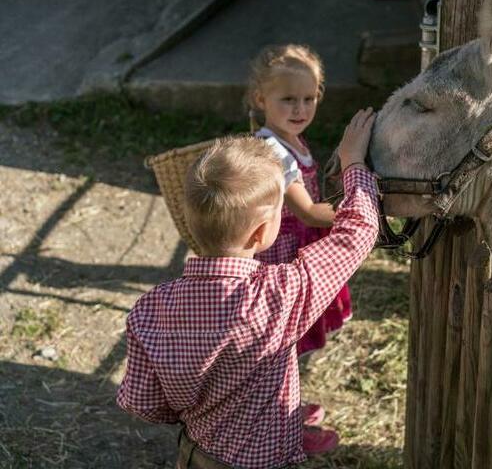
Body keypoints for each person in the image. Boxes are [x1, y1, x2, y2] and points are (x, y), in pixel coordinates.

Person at [116, 108, 378, 469]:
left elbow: (141, 403)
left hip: (195, 455)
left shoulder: (150, 308)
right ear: (260, 233)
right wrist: (354, 165)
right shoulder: (282, 294)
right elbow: (358, 232)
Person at [245, 45, 353, 444]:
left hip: (294, 251)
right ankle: (282, 428)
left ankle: (284, 408)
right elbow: (307, 212)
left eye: (309, 98)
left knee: (288, 345)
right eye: (288, 99)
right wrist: (360, 212)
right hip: (281, 258)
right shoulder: (274, 150)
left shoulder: (290, 139)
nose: (300, 108)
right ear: (261, 99)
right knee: (281, 341)